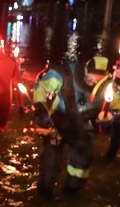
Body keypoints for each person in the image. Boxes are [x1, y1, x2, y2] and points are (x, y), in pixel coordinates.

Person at [32, 56, 111, 198]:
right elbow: (41, 88)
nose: (92, 82)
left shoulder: (109, 85)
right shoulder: (64, 73)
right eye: (90, 78)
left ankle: (68, 196)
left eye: (96, 80)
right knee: (48, 174)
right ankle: (44, 202)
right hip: (56, 125)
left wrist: (112, 116)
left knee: (79, 175)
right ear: (85, 69)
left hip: (82, 129)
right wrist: (42, 112)